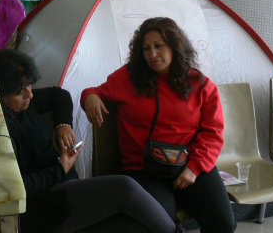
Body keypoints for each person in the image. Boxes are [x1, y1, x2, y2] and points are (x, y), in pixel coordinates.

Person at [0, 49, 185, 233]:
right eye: (19, 91)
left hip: (66, 188)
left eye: (29, 85)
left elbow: (59, 95)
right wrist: (59, 169)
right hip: (47, 204)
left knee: (137, 225)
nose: (29, 94)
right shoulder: (0, 131)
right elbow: (18, 187)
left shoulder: (25, 105)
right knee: (124, 188)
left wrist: (63, 125)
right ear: (0, 92)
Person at [81, 17, 236, 233]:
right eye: (146, 48)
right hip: (143, 169)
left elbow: (213, 132)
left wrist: (194, 167)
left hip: (190, 164)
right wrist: (90, 96)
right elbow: (94, 91)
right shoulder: (128, 78)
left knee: (223, 223)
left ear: (175, 46)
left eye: (158, 46)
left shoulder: (200, 84)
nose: (152, 55)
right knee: (161, 225)